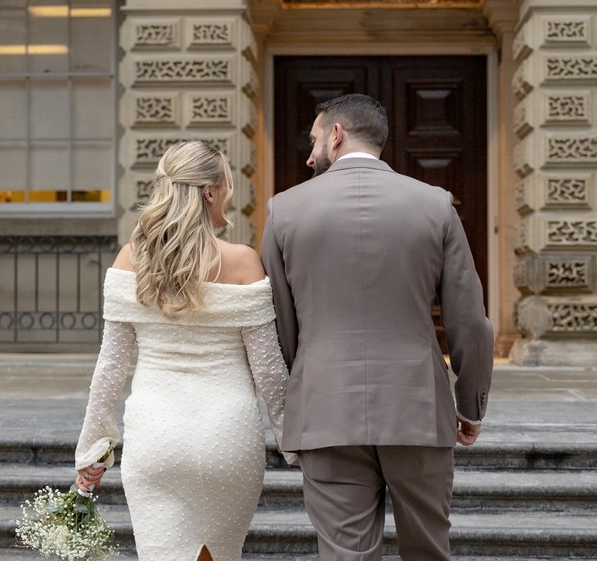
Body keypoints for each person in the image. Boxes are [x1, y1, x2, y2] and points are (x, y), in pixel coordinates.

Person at [261, 93, 494, 560]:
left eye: (313, 140)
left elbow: (278, 323)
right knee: (429, 549)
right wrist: (470, 404)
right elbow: (469, 320)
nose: (309, 155)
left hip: (325, 407)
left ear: (337, 134)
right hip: (417, 407)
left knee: (345, 554)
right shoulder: (435, 204)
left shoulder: (283, 210)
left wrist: (295, 398)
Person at [74, 140, 292, 561]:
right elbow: (269, 370)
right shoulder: (244, 261)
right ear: (211, 191)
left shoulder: (131, 259)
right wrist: (290, 438)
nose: (229, 190)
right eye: (227, 181)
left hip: (155, 436)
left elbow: (110, 367)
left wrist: (92, 446)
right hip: (228, 436)